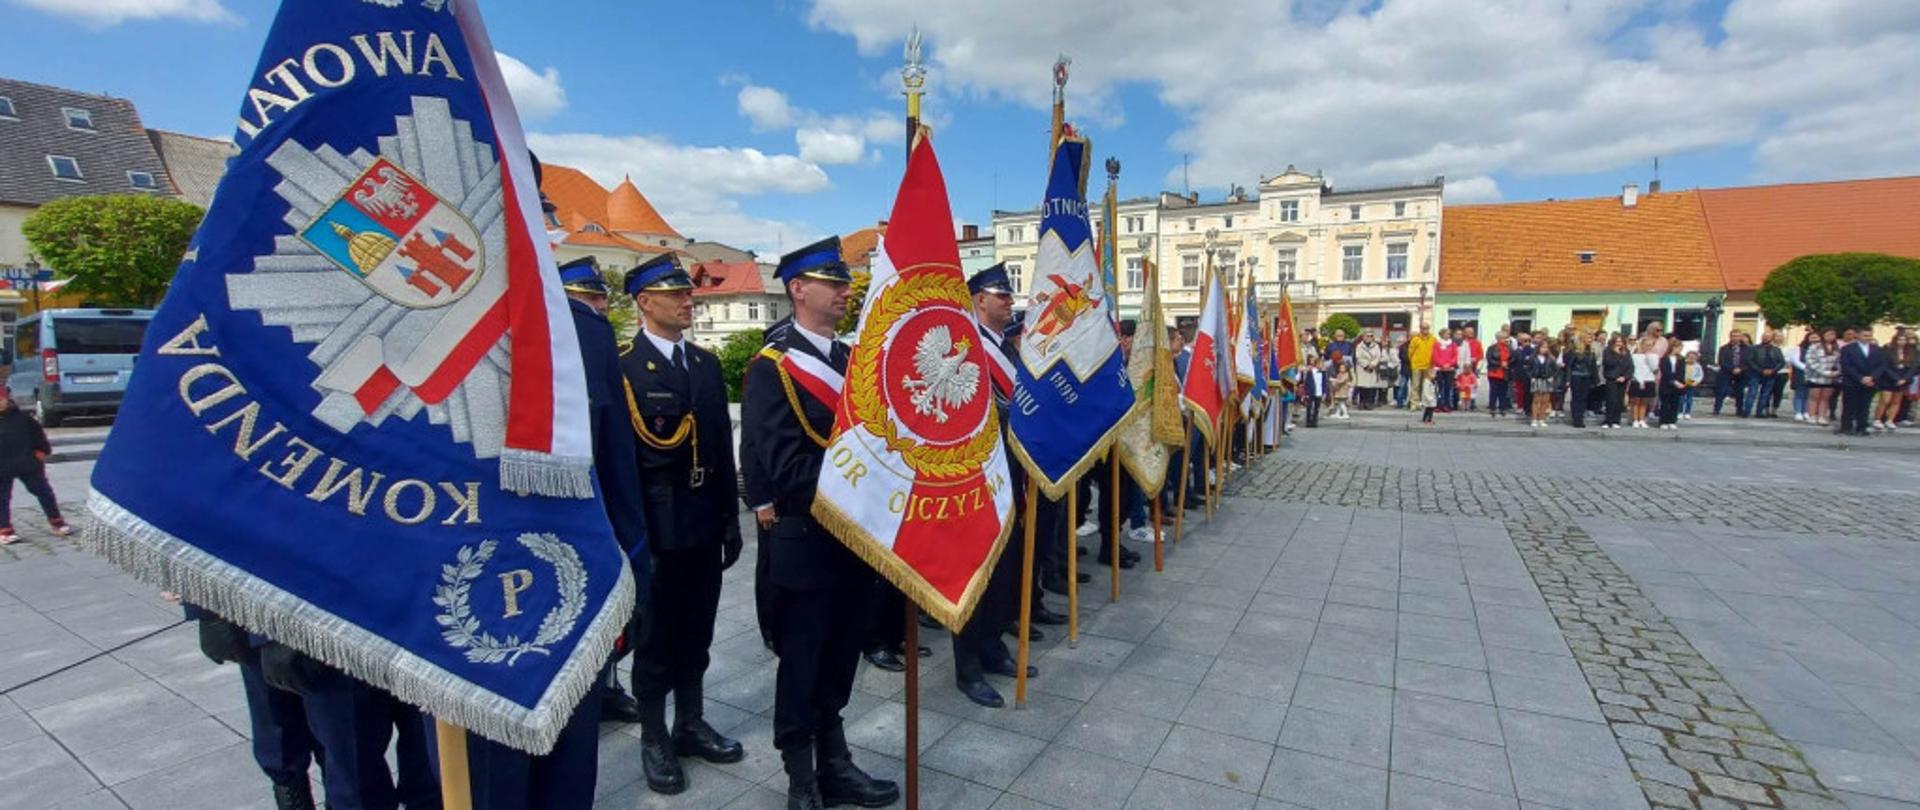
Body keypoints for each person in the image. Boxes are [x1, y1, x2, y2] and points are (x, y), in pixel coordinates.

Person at [740, 237, 899, 810]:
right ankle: (801, 778)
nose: (844, 291)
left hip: (855, 545)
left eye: (845, 282)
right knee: (802, 666)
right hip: (805, 545)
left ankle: (836, 765)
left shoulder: (852, 362)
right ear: (798, 289)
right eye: (833, 283)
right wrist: (867, 480)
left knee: (839, 661)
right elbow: (785, 467)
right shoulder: (772, 368)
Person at [618, 254, 747, 794]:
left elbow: (717, 443)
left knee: (697, 628)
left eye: (687, 293)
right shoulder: (625, 368)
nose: (686, 300)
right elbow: (622, 462)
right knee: (655, 636)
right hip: (657, 524)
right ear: (645, 302)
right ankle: (653, 737)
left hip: (701, 520)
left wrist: (729, 519)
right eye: (673, 294)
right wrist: (633, 540)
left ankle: (689, 722)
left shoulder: (704, 364)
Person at [951, 264, 1043, 708]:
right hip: (977, 480)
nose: (1009, 301)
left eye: (1010, 295)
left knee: (1004, 573)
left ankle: (992, 649)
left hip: (1011, 476)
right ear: (978, 300)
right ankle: (967, 667)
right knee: (974, 576)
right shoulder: (964, 349)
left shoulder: (1005, 349)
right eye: (1000, 295)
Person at [188, 608, 320, 809]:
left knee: (347, 754)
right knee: (278, 741)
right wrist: (207, 612)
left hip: (330, 616)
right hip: (251, 614)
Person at [0, 391, 73, 544]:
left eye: (1, 399)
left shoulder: (23, 418)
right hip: (2, 468)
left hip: (28, 464)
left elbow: (38, 435)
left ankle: (57, 521)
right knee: (2, 498)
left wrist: (41, 451)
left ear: (7, 399)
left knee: (44, 492)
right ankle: (4, 529)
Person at [1837, 328, 1884, 437]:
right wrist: (1860, 378)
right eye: (1865, 335)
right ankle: (1846, 428)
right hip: (1852, 382)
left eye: (1869, 336)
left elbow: (1881, 366)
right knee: (1849, 406)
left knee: (1864, 406)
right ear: (1858, 335)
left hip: (1870, 382)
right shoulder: (1848, 349)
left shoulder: (1877, 349)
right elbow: (1846, 365)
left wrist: (1872, 377)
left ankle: (1862, 427)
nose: (1867, 338)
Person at [1875, 332, 1917, 431]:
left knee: (1896, 401)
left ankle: (1890, 420)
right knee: (1885, 400)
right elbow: (1885, 366)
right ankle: (1878, 419)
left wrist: (1905, 379)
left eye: (1904, 340)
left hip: (1903, 379)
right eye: (1899, 339)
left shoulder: (1911, 353)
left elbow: (1913, 367)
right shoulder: (1888, 351)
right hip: (1889, 379)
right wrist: (1896, 378)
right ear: (1895, 340)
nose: (1902, 342)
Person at [1746, 329, 1786, 418]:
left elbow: (1781, 362)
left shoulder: (1776, 350)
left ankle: (1760, 412)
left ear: (1771, 338)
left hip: (1771, 374)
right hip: (1756, 374)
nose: (1765, 338)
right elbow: (1750, 361)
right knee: (1752, 392)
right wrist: (1760, 370)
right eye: (1764, 336)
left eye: (1768, 337)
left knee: (1765, 394)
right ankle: (1747, 411)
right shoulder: (1754, 348)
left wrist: (1773, 370)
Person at [1803, 328, 1840, 426]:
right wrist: (1823, 371)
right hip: (1816, 376)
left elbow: (1839, 362)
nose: (1831, 336)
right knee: (1814, 397)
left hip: (1831, 378)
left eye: (1833, 334)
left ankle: (1822, 416)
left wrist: (1837, 372)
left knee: (1825, 398)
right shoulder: (1815, 347)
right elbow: (1810, 361)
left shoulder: (1836, 347)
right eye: (1828, 334)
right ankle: (1812, 415)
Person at [1562, 332, 1597, 429]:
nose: (1590, 340)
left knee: (1584, 398)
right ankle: (1576, 419)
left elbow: (1593, 367)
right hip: (1576, 376)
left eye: (1591, 338)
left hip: (1587, 377)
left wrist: (1595, 379)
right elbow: (1569, 366)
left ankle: (1580, 418)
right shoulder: (1575, 351)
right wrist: (1568, 379)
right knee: (1576, 398)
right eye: (1588, 337)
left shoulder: (1590, 351)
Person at [1715, 330, 1751, 416]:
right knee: (1721, 391)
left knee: (1740, 392)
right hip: (1726, 372)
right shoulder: (1724, 348)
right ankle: (1717, 408)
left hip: (1741, 373)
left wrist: (1740, 368)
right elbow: (1722, 361)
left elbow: (1749, 361)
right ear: (1730, 337)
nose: (1735, 338)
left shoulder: (1747, 349)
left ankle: (1739, 409)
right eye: (1733, 336)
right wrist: (1732, 369)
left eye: (1737, 336)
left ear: (1741, 337)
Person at [1525, 338, 1559, 427]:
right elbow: (1527, 369)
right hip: (1537, 380)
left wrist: (1552, 376)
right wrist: (1531, 377)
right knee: (1536, 400)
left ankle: (1542, 418)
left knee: (1545, 401)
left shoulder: (1551, 358)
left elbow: (1556, 370)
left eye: (1546, 347)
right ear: (1538, 348)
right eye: (1542, 347)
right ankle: (1534, 418)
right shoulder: (1533, 358)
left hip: (1547, 380)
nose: (1544, 349)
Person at [1601, 335, 1632, 429]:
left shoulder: (1627, 352)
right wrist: (1616, 353)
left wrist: (1625, 376)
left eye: (1621, 342)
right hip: (1612, 379)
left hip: (1622, 380)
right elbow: (1608, 363)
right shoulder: (1608, 351)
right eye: (1617, 341)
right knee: (1611, 400)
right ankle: (1608, 420)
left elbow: (1630, 366)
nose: (1619, 343)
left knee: (1619, 400)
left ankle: (1616, 420)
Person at [1629, 337, 1660, 428]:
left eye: (1651, 345)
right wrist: (1640, 381)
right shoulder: (1634, 356)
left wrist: (1649, 357)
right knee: (1636, 401)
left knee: (1644, 402)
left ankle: (1642, 419)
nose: (1649, 347)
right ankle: (1635, 419)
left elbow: (1654, 369)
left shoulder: (1654, 356)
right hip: (1637, 380)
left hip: (1649, 380)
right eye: (1647, 345)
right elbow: (1634, 370)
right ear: (1642, 345)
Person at [1657, 341, 1689, 429]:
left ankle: (1672, 421)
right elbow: (1665, 372)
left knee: (1675, 403)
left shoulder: (1681, 359)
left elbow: (1682, 372)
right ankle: (1663, 421)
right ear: (1673, 347)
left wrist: (1680, 383)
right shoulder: (1664, 359)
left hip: (1678, 384)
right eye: (1679, 347)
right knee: (1665, 403)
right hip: (1666, 384)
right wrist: (1673, 381)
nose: (1680, 349)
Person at [1485, 328, 1514, 418]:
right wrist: (1500, 364)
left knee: (1503, 392)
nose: (1506, 340)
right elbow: (1489, 359)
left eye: (1507, 338)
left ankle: (1502, 408)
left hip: (1505, 372)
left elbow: (1513, 358)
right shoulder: (1492, 348)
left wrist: (1508, 364)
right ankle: (1492, 407)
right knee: (1494, 391)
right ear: (1498, 338)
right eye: (1504, 338)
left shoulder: (1509, 348)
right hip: (1494, 372)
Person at [1355, 331, 1387, 410]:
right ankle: (1362, 402)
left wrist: (1373, 364)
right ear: (1364, 337)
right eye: (1367, 336)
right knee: (1362, 387)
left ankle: (1369, 402)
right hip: (1362, 368)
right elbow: (1358, 357)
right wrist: (1366, 365)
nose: (1369, 338)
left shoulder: (1376, 346)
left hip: (1372, 368)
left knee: (1371, 387)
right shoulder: (1359, 346)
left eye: (1371, 336)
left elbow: (1378, 356)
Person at [1406, 325, 1435, 412]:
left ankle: (1423, 403)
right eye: (1423, 328)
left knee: (1425, 386)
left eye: (1426, 328)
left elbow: (1435, 351)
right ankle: (1414, 403)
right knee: (1415, 385)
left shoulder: (1433, 339)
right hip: (1417, 365)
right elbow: (1410, 352)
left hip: (1429, 366)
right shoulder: (1415, 339)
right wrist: (1414, 361)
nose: (1425, 329)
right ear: (1420, 329)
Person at [1430, 330, 1459, 412]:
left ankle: (1447, 405)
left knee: (1448, 387)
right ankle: (1439, 404)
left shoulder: (1453, 345)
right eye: (1446, 334)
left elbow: (1455, 355)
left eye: (1449, 334)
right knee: (1439, 387)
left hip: (1450, 369)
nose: (1448, 335)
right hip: (1440, 369)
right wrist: (1442, 364)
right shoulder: (1437, 344)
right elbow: (1435, 356)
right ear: (1442, 334)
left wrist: (1449, 364)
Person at [1298, 351, 1328, 427]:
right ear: (1316, 364)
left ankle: (1315, 421)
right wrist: (1306, 393)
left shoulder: (1323, 373)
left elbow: (1324, 383)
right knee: (1309, 407)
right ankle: (1308, 421)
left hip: (1319, 392)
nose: (1321, 365)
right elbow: (1307, 383)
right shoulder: (1310, 372)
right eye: (1320, 364)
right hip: (1311, 392)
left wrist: (1324, 392)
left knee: (1316, 408)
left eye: (1322, 364)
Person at [1459, 326, 1485, 410]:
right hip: (1463, 366)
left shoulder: (1477, 342)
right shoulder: (1461, 342)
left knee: (1472, 386)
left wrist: (1475, 359)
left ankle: (1472, 403)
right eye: (1469, 332)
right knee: (1462, 386)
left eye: (1472, 331)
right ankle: (1462, 403)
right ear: (1464, 333)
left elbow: (1480, 355)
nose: (1471, 333)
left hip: (1473, 366)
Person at [1790, 333, 1813, 421]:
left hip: (1814, 374)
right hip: (1801, 374)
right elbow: (1795, 360)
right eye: (1812, 337)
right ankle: (1798, 411)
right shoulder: (1799, 349)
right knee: (1800, 393)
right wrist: (1806, 368)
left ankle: (1806, 411)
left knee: (1809, 394)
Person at [1328, 350, 1353, 419]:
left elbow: (1341, 381)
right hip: (1338, 389)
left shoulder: (1346, 373)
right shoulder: (1332, 368)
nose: (1340, 360)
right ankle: (1337, 412)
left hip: (1343, 390)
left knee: (1342, 403)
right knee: (1339, 402)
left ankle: (1345, 413)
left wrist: (1335, 380)